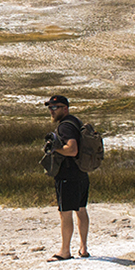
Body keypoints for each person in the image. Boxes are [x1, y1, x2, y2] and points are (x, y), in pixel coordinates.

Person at [44, 95, 89, 261]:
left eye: (55, 107)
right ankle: (83, 248)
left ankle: (65, 251)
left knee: (65, 213)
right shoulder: (75, 121)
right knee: (81, 209)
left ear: (65, 108)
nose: (52, 111)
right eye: (50, 107)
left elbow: (72, 150)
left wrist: (56, 148)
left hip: (68, 175)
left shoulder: (65, 127)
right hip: (81, 173)